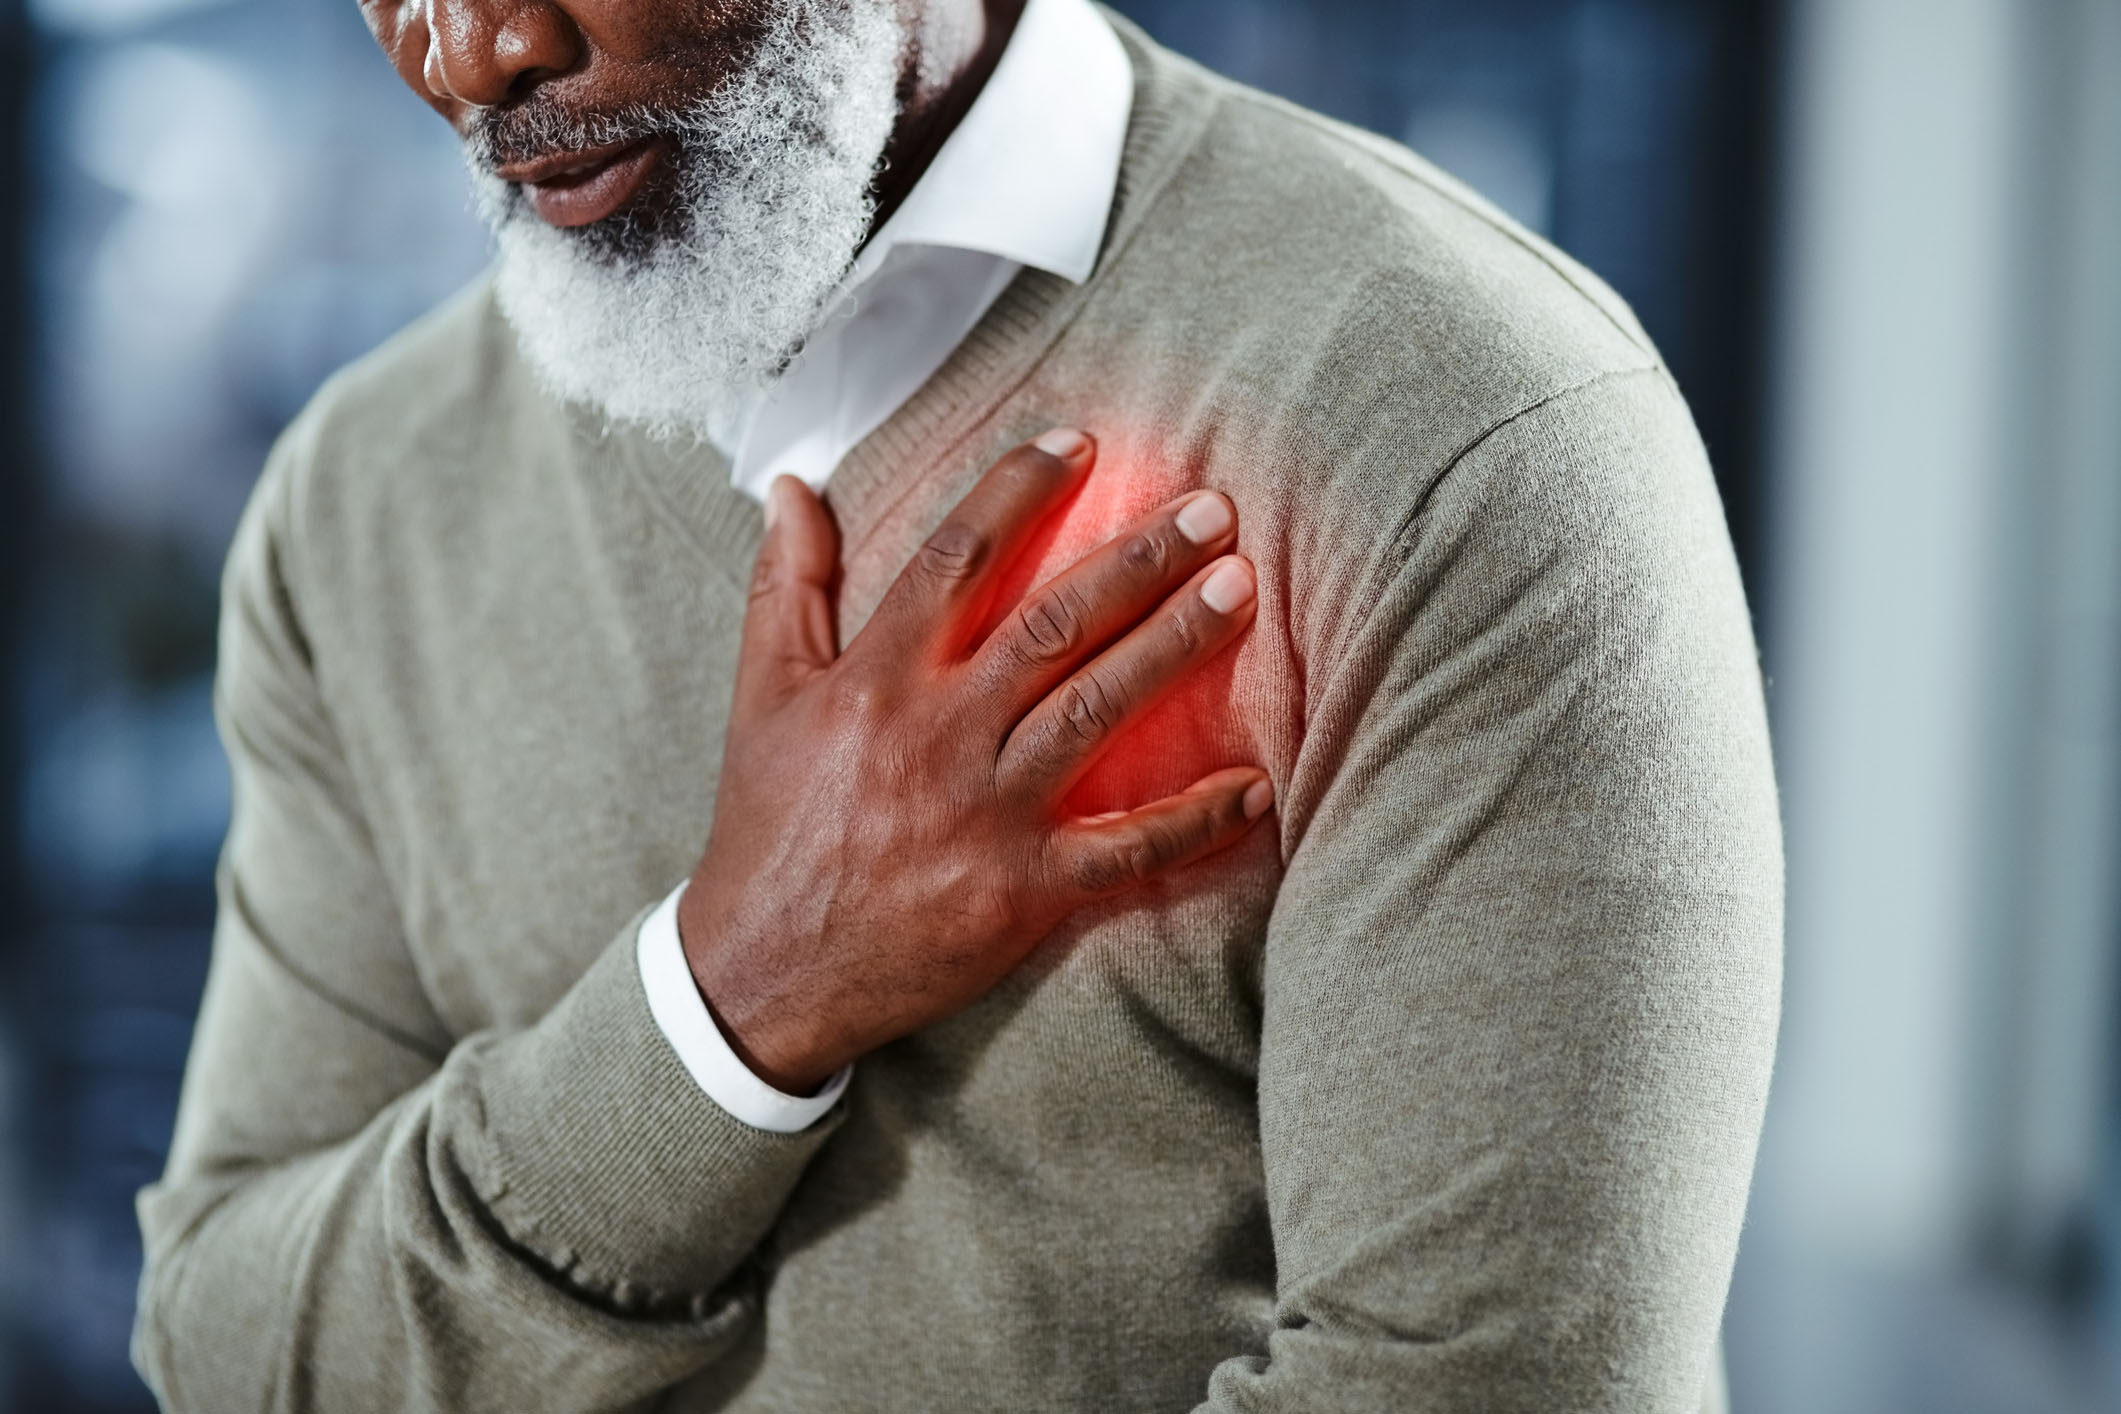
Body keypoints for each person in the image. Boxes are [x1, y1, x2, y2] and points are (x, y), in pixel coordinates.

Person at [131, 0, 1781, 1408]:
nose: (470, 51)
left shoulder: (1459, 433)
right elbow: (225, 1341)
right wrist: (724, 1006)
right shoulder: (362, 497)